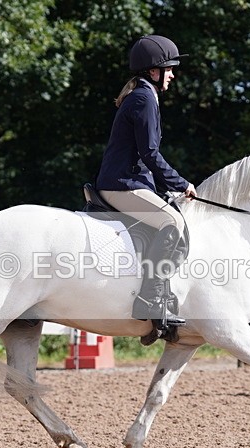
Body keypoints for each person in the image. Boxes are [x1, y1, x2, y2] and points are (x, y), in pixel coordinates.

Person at [95, 35, 196, 327]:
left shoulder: (142, 95)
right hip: (121, 184)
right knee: (173, 223)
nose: (173, 75)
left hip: (127, 180)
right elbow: (150, 153)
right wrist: (180, 183)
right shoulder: (143, 98)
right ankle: (150, 298)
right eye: (170, 69)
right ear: (154, 71)